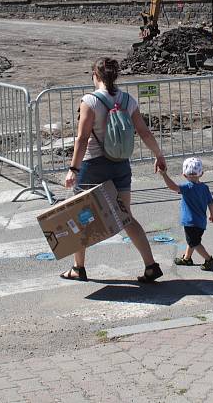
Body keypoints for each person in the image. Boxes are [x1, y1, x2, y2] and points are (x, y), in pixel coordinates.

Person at [62, 57, 165, 283]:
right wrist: (159, 155)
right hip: (120, 165)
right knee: (126, 216)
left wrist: (73, 169)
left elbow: (82, 138)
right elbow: (144, 133)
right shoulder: (128, 100)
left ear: (95, 76)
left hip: (93, 166)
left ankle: (78, 268)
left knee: (80, 218)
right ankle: (150, 265)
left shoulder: (90, 101)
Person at [160, 157, 213, 270]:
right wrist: (212, 214)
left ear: (184, 175)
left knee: (195, 243)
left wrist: (164, 175)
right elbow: (210, 202)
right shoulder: (205, 188)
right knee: (192, 240)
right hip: (201, 222)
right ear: (201, 174)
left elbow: (172, 186)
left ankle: (209, 259)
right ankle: (187, 258)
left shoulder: (187, 187)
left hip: (191, 222)